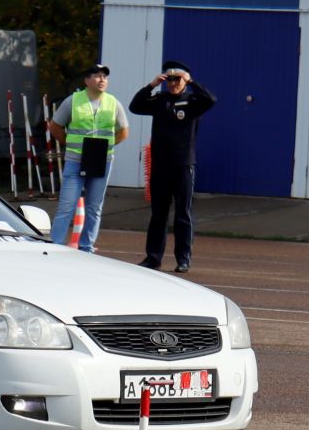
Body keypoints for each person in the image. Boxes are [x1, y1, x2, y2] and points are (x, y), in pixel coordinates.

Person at [128, 59, 215, 272]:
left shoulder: (193, 101)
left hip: (183, 165)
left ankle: (183, 259)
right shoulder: (160, 99)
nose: (174, 83)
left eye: (178, 79)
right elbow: (135, 106)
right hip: (161, 165)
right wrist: (152, 85)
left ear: (185, 79)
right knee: (158, 214)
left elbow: (210, 100)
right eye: (170, 79)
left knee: (182, 214)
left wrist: (192, 82)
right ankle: (153, 257)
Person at [47, 63, 129, 252]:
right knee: (67, 204)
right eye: (97, 76)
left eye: (105, 77)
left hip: (102, 160)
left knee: (94, 206)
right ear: (86, 80)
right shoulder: (73, 101)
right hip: (76, 159)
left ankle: (86, 246)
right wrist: (69, 143)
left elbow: (124, 131)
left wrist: (106, 147)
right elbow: (55, 126)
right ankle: (56, 245)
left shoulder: (113, 103)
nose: (102, 80)